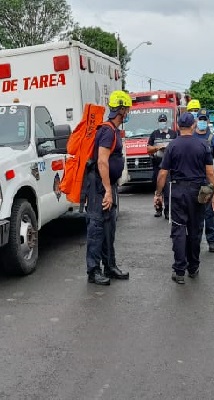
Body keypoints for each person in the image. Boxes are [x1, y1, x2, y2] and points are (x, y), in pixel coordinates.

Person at [153, 112, 214, 284]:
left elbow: (162, 173)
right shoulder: (203, 145)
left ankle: (179, 270)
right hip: (199, 191)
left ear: (178, 126)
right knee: (195, 229)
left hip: (177, 190)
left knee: (178, 229)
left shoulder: (172, 146)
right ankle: (193, 267)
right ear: (193, 126)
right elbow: (210, 173)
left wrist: (158, 194)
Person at [84, 90, 132, 285]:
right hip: (99, 187)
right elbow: (102, 162)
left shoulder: (113, 130)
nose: (128, 112)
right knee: (96, 228)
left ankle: (109, 266)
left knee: (109, 228)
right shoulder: (107, 131)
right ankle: (93, 271)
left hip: (106, 184)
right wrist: (108, 191)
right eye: (127, 108)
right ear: (121, 109)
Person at [193, 108, 214, 252]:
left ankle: (212, 239)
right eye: (199, 119)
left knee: (209, 212)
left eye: (204, 119)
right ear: (196, 120)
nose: (201, 122)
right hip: (192, 179)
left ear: (208, 121)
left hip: (207, 181)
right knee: (192, 212)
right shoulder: (190, 137)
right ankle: (193, 240)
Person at [147, 113, 178, 218]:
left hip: (170, 165)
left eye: (164, 120)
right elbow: (148, 149)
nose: (162, 123)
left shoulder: (173, 134)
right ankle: (158, 209)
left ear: (166, 122)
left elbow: (178, 146)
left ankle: (168, 211)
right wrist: (157, 147)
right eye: (160, 121)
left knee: (168, 188)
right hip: (158, 164)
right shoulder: (154, 134)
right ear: (158, 122)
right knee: (158, 187)